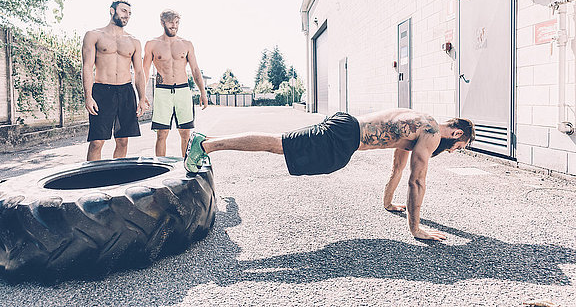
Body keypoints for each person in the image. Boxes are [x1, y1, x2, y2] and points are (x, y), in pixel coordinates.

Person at [184, 108, 475, 241]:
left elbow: (398, 167)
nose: (453, 151)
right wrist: (416, 229)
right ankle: (206, 144)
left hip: (344, 133)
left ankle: (207, 144)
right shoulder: (432, 132)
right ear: (457, 133)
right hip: (343, 135)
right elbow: (417, 180)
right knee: (278, 144)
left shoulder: (418, 124)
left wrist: (388, 203)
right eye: (459, 147)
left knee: (284, 147)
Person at [81, 0, 148, 161]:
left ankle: (117, 177)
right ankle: (92, 179)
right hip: (102, 91)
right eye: (124, 11)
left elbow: (139, 72)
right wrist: (88, 96)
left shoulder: (134, 41)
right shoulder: (94, 35)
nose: (127, 16)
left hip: (125, 91)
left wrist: (142, 98)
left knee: (123, 140)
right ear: (112, 11)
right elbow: (87, 67)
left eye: (129, 13)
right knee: (97, 141)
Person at [143, 9, 208, 158]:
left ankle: (186, 167)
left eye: (177, 22)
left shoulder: (186, 44)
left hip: (183, 91)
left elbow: (195, 69)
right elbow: (144, 70)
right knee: (161, 133)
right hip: (162, 91)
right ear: (162, 23)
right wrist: (142, 94)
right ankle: (160, 167)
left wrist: (203, 93)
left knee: (185, 133)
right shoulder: (152, 44)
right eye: (171, 22)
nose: (174, 25)